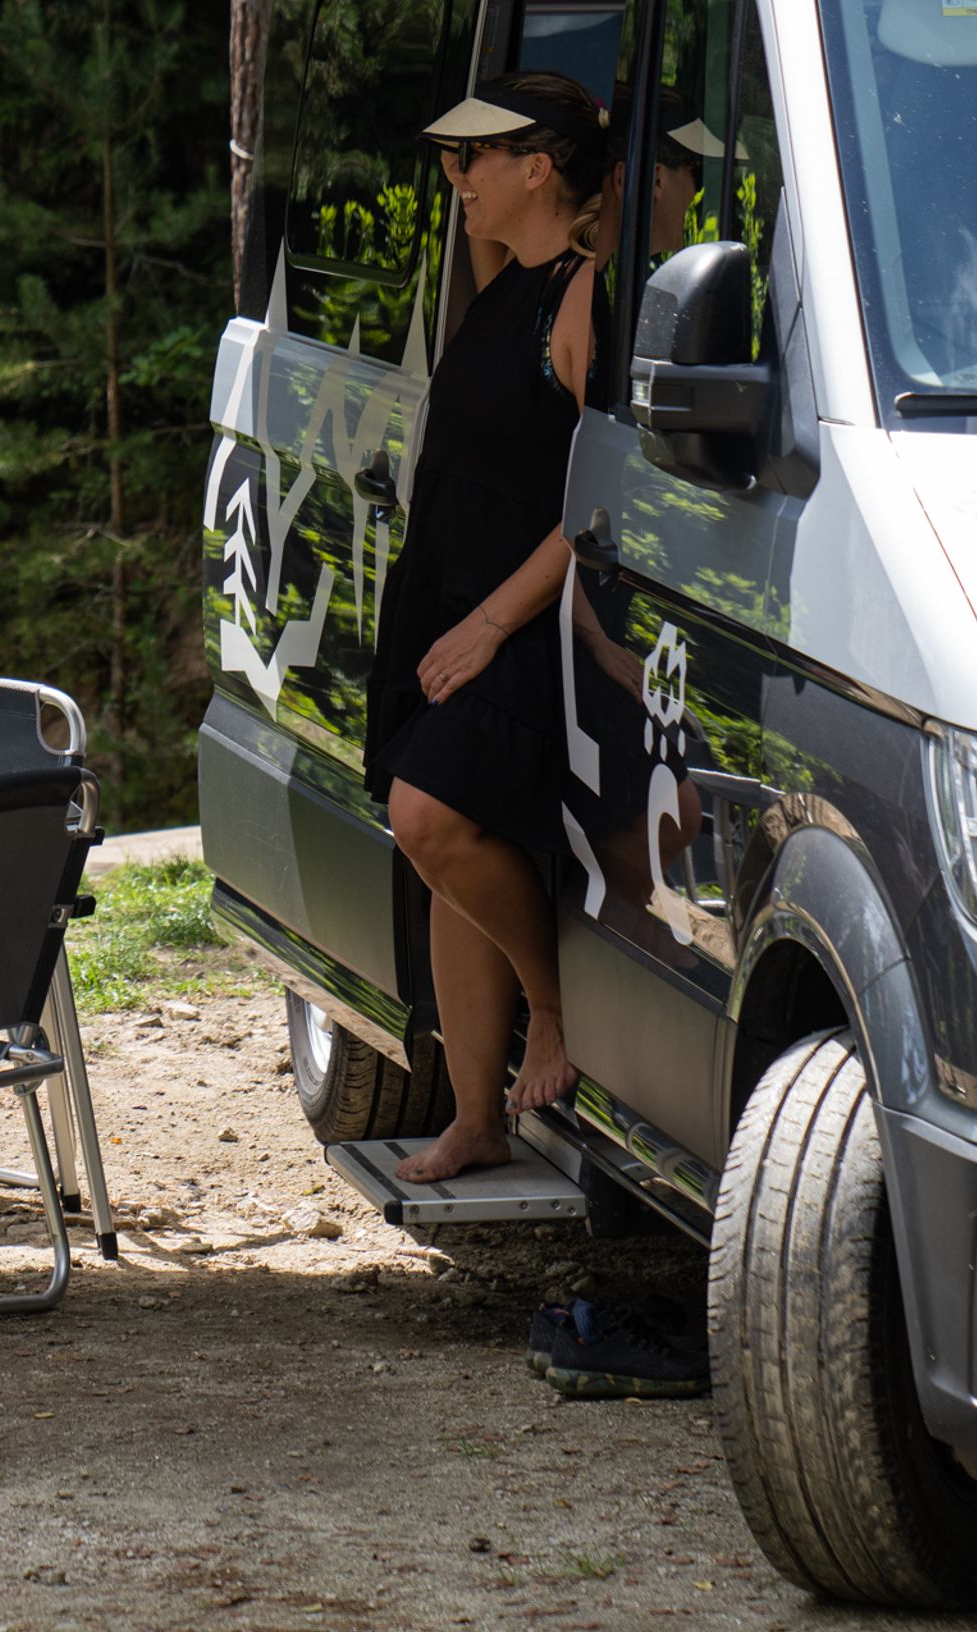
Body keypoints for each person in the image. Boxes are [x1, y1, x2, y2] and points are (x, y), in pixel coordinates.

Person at [363, 69, 607, 1183]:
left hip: (523, 625)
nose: (458, 181)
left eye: (479, 159)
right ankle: (476, 1116)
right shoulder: (500, 274)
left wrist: (495, 625)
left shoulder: (582, 298)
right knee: (453, 858)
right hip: (449, 600)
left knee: (432, 816)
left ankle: (548, 1014)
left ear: (539, 167)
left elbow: (601, 502)